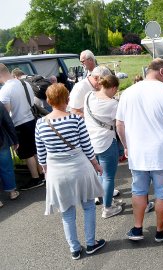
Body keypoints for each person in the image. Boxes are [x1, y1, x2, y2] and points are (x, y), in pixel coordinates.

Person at [116, 58, 163, 243]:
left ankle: (137, 228)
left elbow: (119, 124)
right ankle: (160, 230)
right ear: (162, 72)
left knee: (139, 191)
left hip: (137, 152)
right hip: (162, 153)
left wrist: (126, 146)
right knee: (162, 193)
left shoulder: (128, 93)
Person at [35, 83, 105, 260]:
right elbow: (87, 146)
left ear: (49, 100)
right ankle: (91, 243)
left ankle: (74, 249)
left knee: (67, 212)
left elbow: (41, 155)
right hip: (80, 167)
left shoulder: (41, 124)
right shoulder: (75, 119)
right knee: (88, 205)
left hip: (57, 173)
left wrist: (46, 172)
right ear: (66, 99)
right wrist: (96, 164)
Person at [83, 75, 123, 219]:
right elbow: (118, 124)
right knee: (108, 177)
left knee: (100, 174)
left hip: (89, 143)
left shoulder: (88, 96)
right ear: (112, 88)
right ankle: (107, 208)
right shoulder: (113, 104)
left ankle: (106, 200)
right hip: (106, 142)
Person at [0, 63, 44, 190]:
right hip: (31, 119)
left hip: (19, 124)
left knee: (27, 153)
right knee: (35, 150)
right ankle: (42, 174)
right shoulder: (25, 83)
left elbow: (6, 114)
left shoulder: (5, 91)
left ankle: (35, 179)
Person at [0, 102, 20, 207]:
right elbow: (8, 122)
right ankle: (12, 192)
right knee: (6, 167)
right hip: (1, 141)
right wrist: (14, 139)